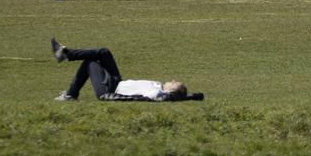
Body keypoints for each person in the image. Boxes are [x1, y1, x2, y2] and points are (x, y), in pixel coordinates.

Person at [50, 38, 200, 102]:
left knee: (90, 62)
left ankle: (70, 94)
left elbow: (142, 99)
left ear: (171, 92)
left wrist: (108, 97)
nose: (173, 80)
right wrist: (191, 96)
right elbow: (190, 96)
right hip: (118, 82)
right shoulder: (160, 87)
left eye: (175, 83)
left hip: (110, 90)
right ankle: (66, 54)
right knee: (104, 52)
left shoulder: (157, 94)